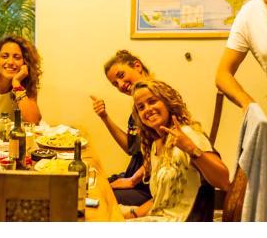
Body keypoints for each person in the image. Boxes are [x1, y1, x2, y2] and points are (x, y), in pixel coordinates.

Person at [124, 80, 230, 221]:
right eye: (141, 107)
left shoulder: (188, 134)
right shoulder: (156, 145)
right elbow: (161, 201)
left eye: (152, 101)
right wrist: (129, 216)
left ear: (167, 102)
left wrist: (191, 149)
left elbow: (223, 181)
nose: (147, 109)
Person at [90, 49, 151, 206]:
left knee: (98, 199)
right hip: (134, 176)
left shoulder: (156, 101)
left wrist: (132, 181)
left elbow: (162, 153)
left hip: (147, 186)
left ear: (137, 66)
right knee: (91, 185)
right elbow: (131, 148)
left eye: (121, 75)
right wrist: (104, 117)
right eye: (115, 84)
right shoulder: (137, 106)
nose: (121, 85)